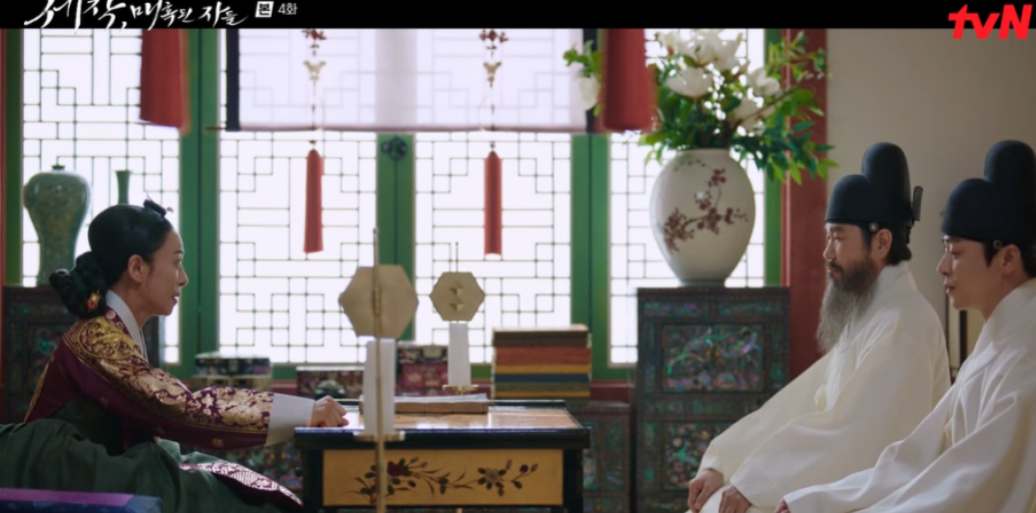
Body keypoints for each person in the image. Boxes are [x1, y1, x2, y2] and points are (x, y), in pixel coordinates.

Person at [0, 200, 348, 512]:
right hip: (68, 470)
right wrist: (304, 411)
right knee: (220, 499)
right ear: (137, 269)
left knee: (235, 484)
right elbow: (181, 408)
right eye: (176, 262)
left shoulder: (114, 327)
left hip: (105, 458)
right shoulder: (98, 338)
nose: (183, 278)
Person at [686, 143, 951, 513]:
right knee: (715, 501)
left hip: (880, 500)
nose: (827, 252)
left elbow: (853, 435)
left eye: (838, 238)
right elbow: (802, 403)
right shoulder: (871, 314)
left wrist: (755, 482)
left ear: (881, 242)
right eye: (828, 237)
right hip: (841, 488)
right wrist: (726, 462)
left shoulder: (905, 324)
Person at [775, 140, 1036, 513]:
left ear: (1008, 258)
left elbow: (966, 486)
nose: (941, 267)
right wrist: (814, 501)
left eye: (955, 252)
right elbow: (916, 458)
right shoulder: (997, 345)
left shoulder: (1025, 362)